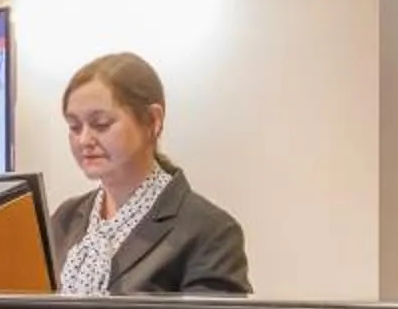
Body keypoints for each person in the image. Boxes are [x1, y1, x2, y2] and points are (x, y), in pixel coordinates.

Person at [49, 52, 251, 295]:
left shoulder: (210, 231)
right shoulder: (65, 219)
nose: (84, 140)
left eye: (101, 124)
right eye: (74, 126)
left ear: (153, 121)